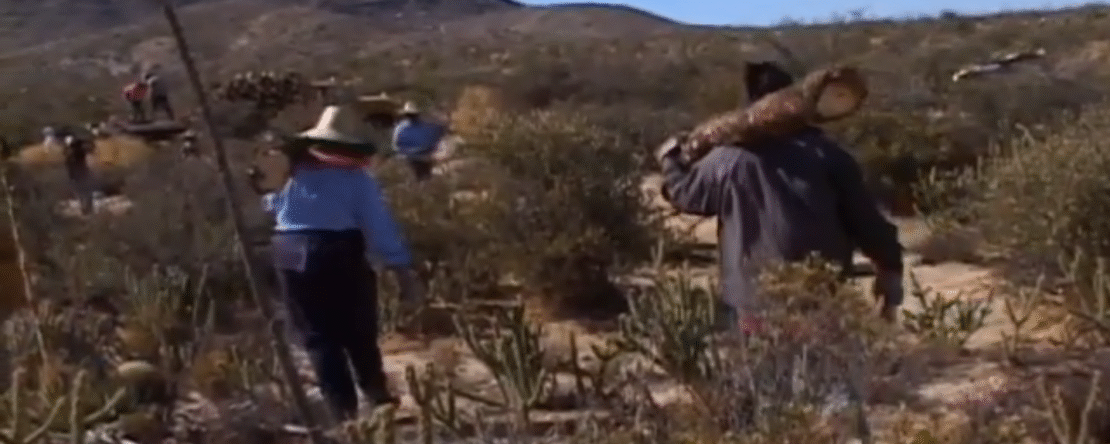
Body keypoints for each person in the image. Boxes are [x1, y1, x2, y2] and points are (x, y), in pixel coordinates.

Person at [656, 61, 904, 332]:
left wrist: (670, 159)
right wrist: (889, 277)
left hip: (747, 302)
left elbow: (684, 193)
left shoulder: (725, 158)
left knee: (756, 370)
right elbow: (868, 224)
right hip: (820, 298)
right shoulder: (829, 155)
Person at [260, 104, 424, 421]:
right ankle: (378, 401)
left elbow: (270, 205)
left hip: (289, 248)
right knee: (358, 329)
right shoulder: (356, 179)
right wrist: (400, 266)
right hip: (337, 248)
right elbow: (378, 224)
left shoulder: (291, 175)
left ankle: (343, 414)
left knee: (317, 336)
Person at [391, 101, 444, 181]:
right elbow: (396, 145)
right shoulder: (401, 128)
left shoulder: (422, 126)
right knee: (421, 178)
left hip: (420, 158)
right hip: (411, 159)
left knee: (424, 179)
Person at [61, 132, 95, 216]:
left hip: (76, 174)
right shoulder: (79, 151)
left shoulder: (70, 153)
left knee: (81, 192)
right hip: (82, 172)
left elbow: (67, 164)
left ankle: (85, 209)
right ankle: (88, 209)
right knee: (85, 192)